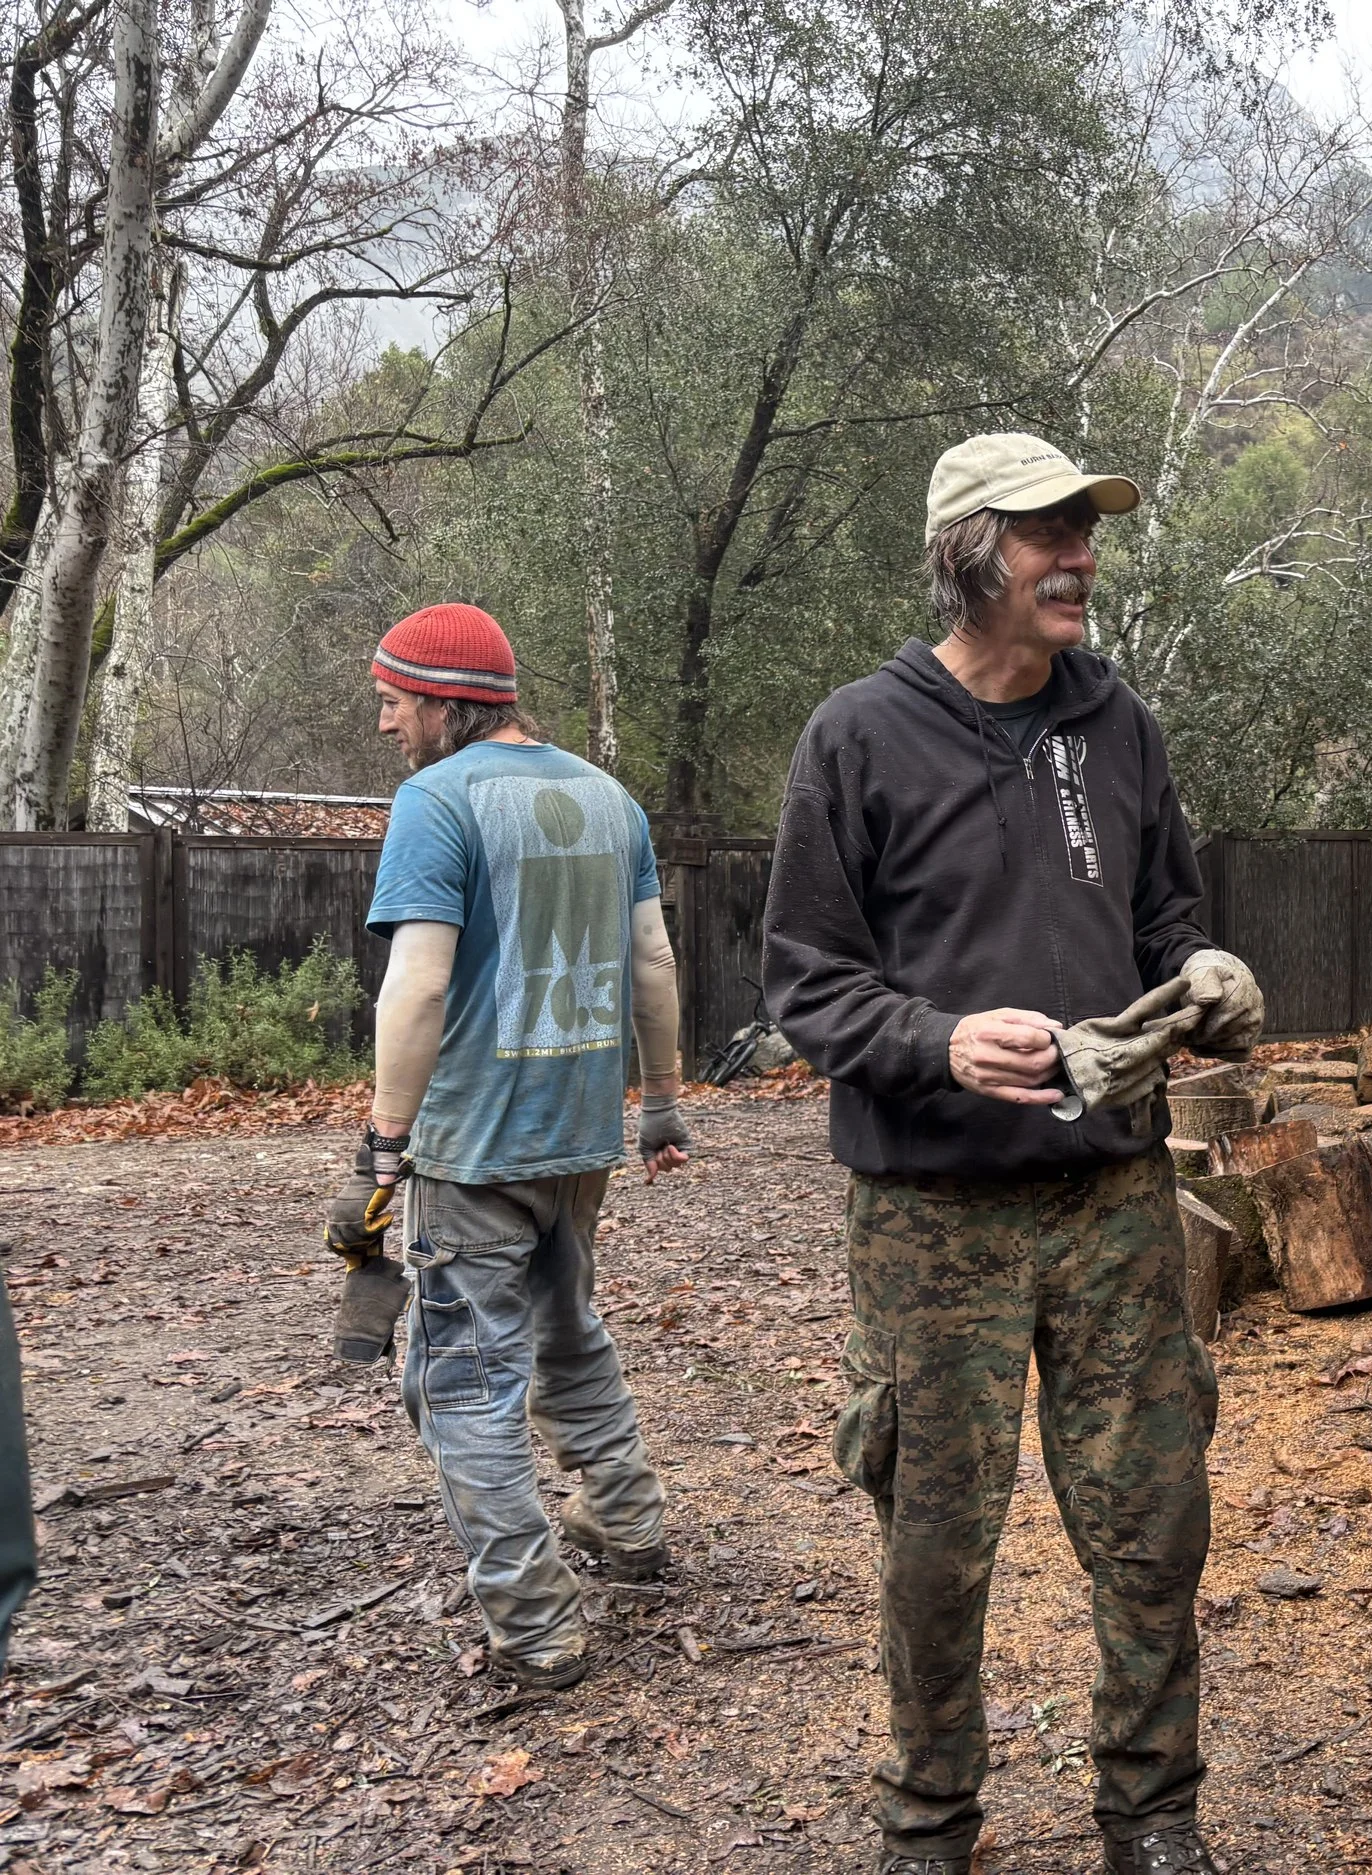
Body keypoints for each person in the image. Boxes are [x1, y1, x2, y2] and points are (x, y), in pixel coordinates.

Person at [762, 433, 1263, 1875]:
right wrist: (935, 1040)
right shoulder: (857, 733)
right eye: (1049, 533)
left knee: (1154, 1516)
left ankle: (1153, 1812)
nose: (1080, 557)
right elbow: (802, 974)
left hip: (1113, 1194)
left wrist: (1207, 971)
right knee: (932, 1536)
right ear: (969, 550)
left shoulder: (1119, 724)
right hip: (931, 1213)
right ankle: (929, 1818)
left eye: (1085, 533)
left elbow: (1168, 917)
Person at [333, 601, 693, 1689]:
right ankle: (627, 1523)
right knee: (563, 1323)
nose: (388, 725)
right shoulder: (606, 797)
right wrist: (661, 1104)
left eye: (395, 703)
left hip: (474, 1146)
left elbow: (422, 979)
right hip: (578, 1135)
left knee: (460, 1384)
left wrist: (385, 1143)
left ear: (447, 702)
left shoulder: (435, 802)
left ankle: (535, 1626)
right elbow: (654, 966)